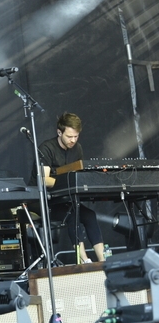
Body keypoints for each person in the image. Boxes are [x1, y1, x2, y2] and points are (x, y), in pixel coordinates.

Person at [32, 112, 105, 263]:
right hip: (42, 200)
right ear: (59, 132)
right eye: (69, 136)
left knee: (89, 215)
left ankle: (103, 260)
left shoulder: (77, 149)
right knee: (72, 215)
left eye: (76, 136)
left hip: (64, 199)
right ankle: (84, 260)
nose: (73, 140)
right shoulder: (46, 148)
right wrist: (66, 182)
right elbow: (44, 180)